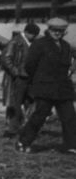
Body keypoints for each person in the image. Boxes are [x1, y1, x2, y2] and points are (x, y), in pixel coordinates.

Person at [16, 18, 76, 155]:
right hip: (45, 88)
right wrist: (39, 80)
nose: (57, 33)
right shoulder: (39, 44)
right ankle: (23, 142)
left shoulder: (66, 46)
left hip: (63, 89)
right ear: (48, 30)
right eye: (54, 30)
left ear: (64, 32)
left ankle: (71, 145)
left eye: (60, 31)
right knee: (39, 116)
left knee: (70, 117)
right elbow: (29, 65)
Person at [0, 23, 39, 136]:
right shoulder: (15, 42)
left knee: (29, 102)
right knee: (15, 104)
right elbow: (6, 59)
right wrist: (16, 72)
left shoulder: (30, 42)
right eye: (33, 34)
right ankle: (12, 130)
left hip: (28, 78)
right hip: (17, 79)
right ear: (26, 32)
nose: (34, 36)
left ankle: (25, 128)